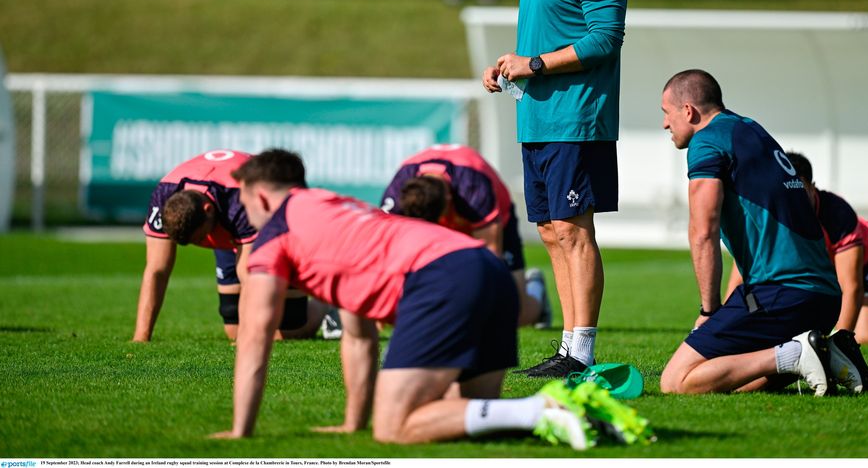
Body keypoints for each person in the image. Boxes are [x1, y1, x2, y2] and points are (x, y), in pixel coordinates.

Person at [209, 149, 651, 448]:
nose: (244, 213)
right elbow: (359, 335)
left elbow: (253, 340)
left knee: (394, 426)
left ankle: (544, 408)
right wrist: (350, 422)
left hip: (444, 279)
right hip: (487, 271)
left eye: (244, 201)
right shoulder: (336, 207)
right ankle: (581, 415)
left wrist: (239, 432)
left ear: (261, 196)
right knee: (464, 417)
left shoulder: (274, 238)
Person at [482, 0, 627, 378]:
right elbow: (544, 39)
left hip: (576, 118)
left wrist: (535, 63)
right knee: (548, 230)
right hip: (538, 118)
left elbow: (604, 39)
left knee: (572, 228)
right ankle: (568, 346)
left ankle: (582, 351)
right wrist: (510, 65)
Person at [658, 69, 868, 395]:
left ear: (688, 111)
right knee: (733, 384)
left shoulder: (706, 142)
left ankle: (798, 352)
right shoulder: (749, 128)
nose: (665, 124)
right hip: (823, 299)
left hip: (781, 293)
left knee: (677, 381)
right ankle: (827, 354)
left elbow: (703, 231)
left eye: (666, 113)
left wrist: (709, 311)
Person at [134, 149, 328, 342]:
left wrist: (246, 340)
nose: (203, 244)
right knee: (234, 330)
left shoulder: (241, 199)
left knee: (287, 331)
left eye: (201, 238)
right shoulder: (164, 195)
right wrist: (141, 338)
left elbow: (249, 278)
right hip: (229, 224)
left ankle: (327, 304)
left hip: (282, 225)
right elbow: (156, 270)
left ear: (208, 211)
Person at [380, 143, 551, 328]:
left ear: (448, 200)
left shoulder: (473, 187)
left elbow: (490, 262)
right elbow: (384, 253)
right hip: (453, 208)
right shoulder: (400, 188)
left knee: (512, 314)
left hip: (489, 224)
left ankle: (535, 289)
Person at [783, 152, 868, 344]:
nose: (795, 200)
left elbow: (852, 288)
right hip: (833, 267)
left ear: (812, 187)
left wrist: (838, 346)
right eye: (788, 192)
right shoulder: (778, 213)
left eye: (800, 190)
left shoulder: (837, 215)